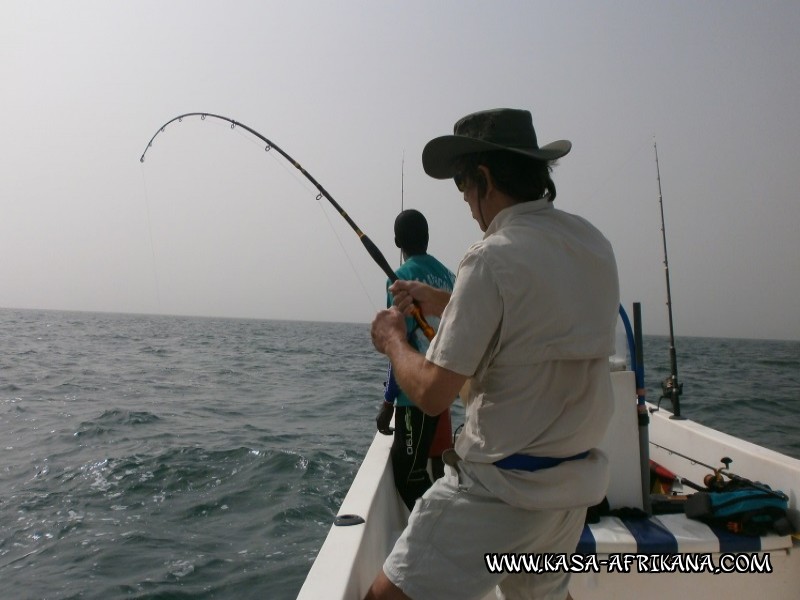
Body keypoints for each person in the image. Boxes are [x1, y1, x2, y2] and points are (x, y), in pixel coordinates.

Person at [367, 108, 620, 600]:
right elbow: (529, 316)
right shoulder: (593, 244)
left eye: (464, 187)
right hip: (569, 493)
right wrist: (440, 297)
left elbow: (434, 394)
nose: (467, 204)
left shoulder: (490, 257)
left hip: (500, 492)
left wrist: (393, 340)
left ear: (484, 178)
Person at [376, 209, 456, 511]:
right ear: (427, 238)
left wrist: (387, 404)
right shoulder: (449, 276)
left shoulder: (401, 279)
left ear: (397, 241)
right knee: (438, 470)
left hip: (416, 396)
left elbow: (398, 346)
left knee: (408, 476)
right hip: (445, 390)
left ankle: (440, 539)